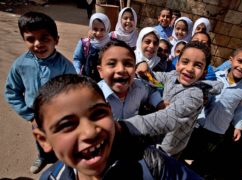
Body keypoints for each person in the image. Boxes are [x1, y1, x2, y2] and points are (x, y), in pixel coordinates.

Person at [33, 74, 203, 179]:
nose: (90, 132)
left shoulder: (152, 164)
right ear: (44, 140)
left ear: (110, 114)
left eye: (98, 114)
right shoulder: (52, 178)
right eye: (67, 125)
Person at [4, 11, 76, 174]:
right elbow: (11, 91)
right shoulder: (21, 65)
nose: (38, 44)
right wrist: (30, 116)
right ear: (24, 39)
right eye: (30, 39)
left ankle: (63, 162)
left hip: (60, 115)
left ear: (56, 40)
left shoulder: (65, 66)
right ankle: (44, 157)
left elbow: (75, 92)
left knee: (62, 140)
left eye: (44, 38)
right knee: (41, 140)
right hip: (36, 116)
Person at [126, 41, 223, 156]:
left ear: (204, 72)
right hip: (154, 138)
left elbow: (168, 118)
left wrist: (127, 126)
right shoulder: (172, 76)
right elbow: (154, 78)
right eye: (185, 62)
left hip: (169, 148)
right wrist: (143, 66)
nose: (189, 68)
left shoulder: (196, 95)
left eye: (197, 65)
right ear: (177, 64)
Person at [180, 47, 242, 176]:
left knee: (203, 159)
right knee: (183, 149)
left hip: (217, 130)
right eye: (240, 61)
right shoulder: (215, 76)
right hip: (197, 122)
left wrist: (238, 126)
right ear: (231, 60)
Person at [96, 40, 165, 120]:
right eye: (112, 63)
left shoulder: (139, 87)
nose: (121, 70)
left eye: (127, 64)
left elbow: (151, 91)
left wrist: (159, 103)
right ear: (101, 71)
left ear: (135, 69)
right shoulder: (94, 96)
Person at [73, 13, 111, 82]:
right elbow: (77, 59)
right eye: (95, 29)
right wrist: (77, 72)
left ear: (107, 28)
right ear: (90, 28)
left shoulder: (111, 45)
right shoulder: (84, 43)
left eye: (102, 30)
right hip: (86, 80)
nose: (98, 33)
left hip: (105, 82)